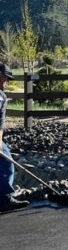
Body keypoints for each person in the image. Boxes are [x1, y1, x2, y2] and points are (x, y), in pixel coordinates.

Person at [0, 62, 29, 212]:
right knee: (6, 163)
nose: (7, 82)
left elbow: (0, 122)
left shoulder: (2, 97)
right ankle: (4, 200)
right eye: (6, 78)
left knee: (5, 160)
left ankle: (4, 198)